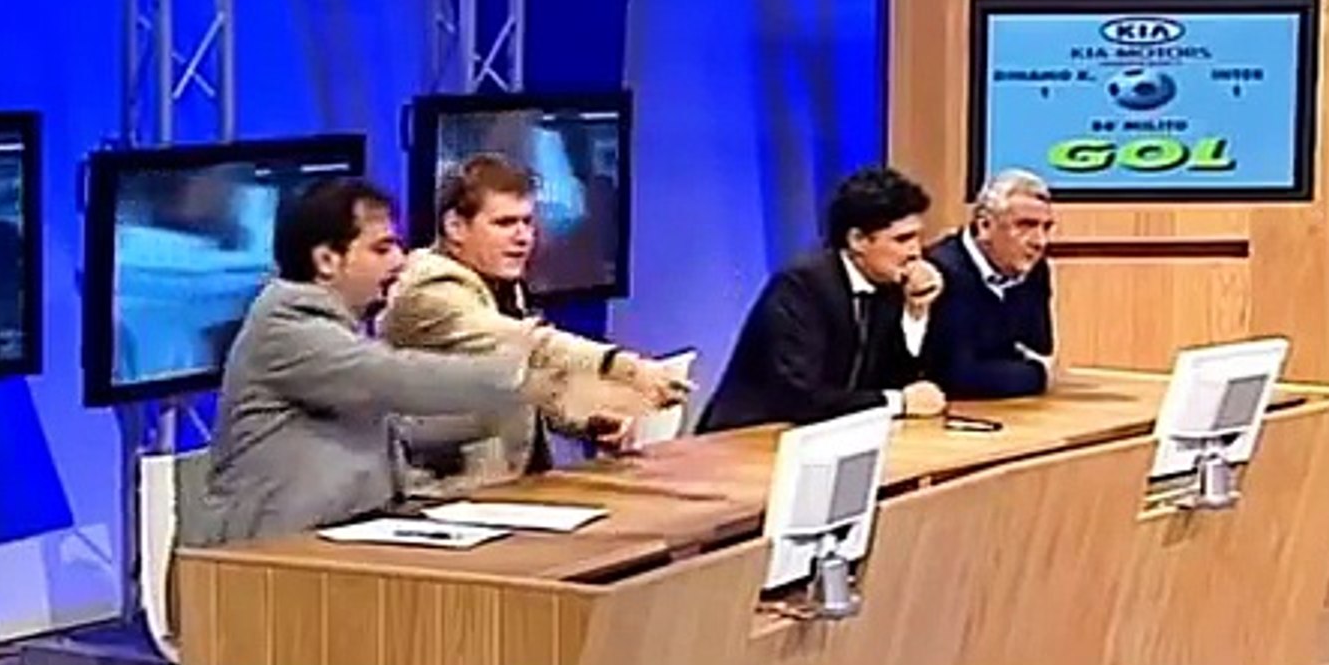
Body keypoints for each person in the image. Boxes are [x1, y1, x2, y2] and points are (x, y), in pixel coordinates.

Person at [187, 177, 536, 547]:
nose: (399, 261)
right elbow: (396, 378)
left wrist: (505, 410)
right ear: (326, 260)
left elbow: (396, 427)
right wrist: (514, 369)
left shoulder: (339, 327)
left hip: (338, 544)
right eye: (381, 248)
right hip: (263, 557)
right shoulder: (286, 328)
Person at [382, 153, 690, 494]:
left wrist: (588, 418)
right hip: (444, 497)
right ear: (455, 227)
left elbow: (526, 382)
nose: (524, 237)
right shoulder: (428, 289)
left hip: (508, 489)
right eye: (505, 223)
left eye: (527, 222)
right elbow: (528, 345)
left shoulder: (502, 286)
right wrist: (625, 367)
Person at [696, 166, 947, 433]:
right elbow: (798, 396)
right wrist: (898, 402)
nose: (915, 252)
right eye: (902, 239)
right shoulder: (801, 287)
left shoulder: (889, 286)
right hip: (748, 436)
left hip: (829, 434)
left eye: (918, 238)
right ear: (857, 240)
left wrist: (916, 311)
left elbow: (899, 380)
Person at [922, 168, 1057, 399]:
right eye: (1025, 225)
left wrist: (1028, 369)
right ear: (984, 225)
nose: (1040, 242)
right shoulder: (942, 270)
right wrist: (1036, 375)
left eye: (1046, 228)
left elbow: (1040, 350)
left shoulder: (1033, 270)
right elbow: (956, 376)